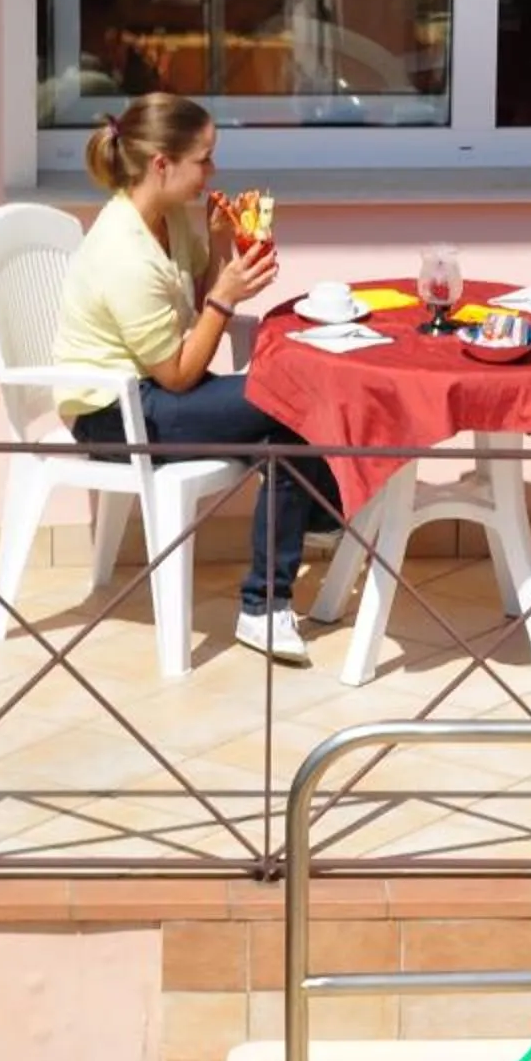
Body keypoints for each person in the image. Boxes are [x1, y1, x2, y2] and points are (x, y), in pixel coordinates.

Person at [53, 93, 334, 664]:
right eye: (204, 159)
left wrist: (219, 254)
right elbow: (181, 374)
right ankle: (320, 520)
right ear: (162, 163)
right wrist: (227, 299)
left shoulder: (172, 217)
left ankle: (271, 598)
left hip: (154, 392)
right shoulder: (122, 253)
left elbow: (189, 311)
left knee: (284, 424)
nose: (213, 171)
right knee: (286, 399)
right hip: (114, 416)